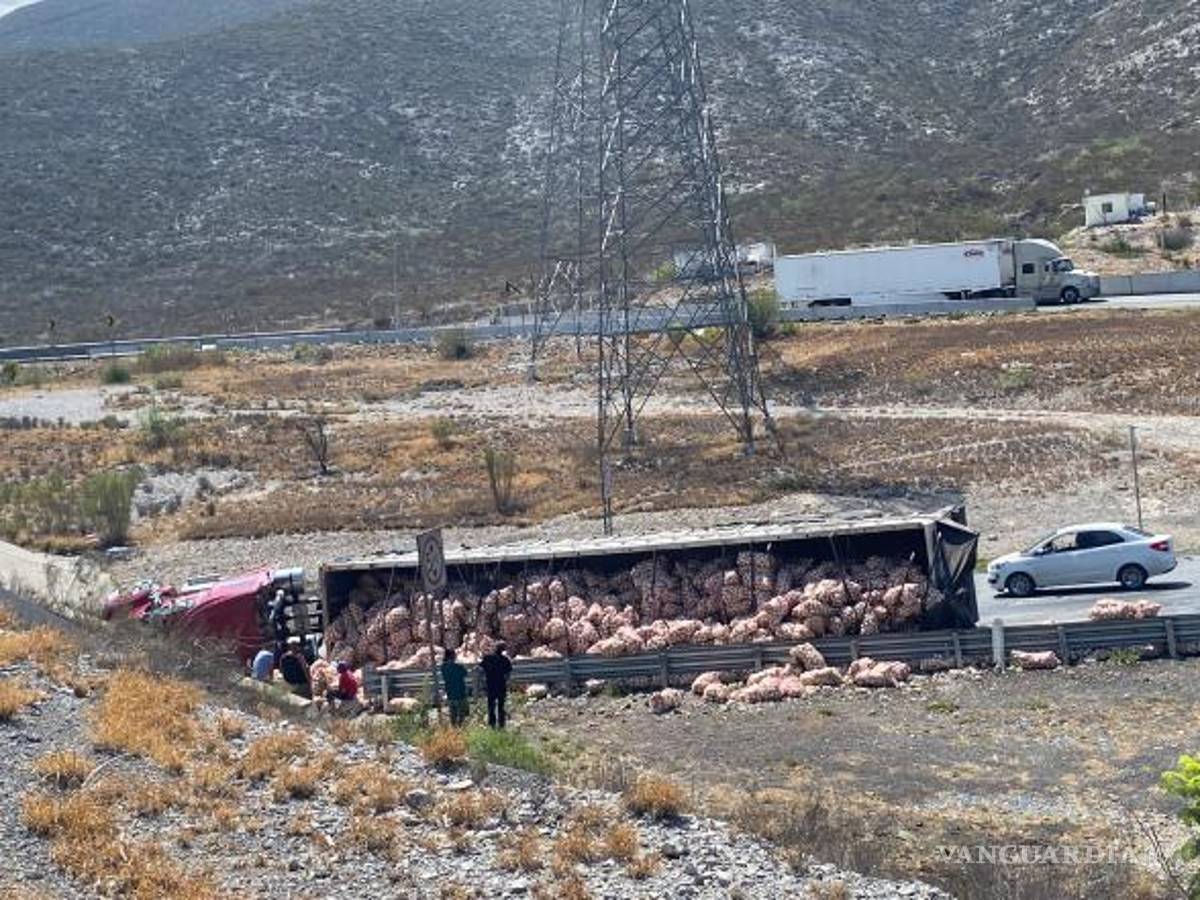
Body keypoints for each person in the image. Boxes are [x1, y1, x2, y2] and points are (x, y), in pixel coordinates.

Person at [480, 643, 513, 729]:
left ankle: (492, 723)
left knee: (491, 705)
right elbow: (508, 673)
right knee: (501, 706)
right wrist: (506, 681)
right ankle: (501, 724)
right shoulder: (505, 660)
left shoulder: (487, 658)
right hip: (501, 685)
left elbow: (481, 669)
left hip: (490, 684)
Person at [440, 648, 469, 726]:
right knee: (461, 714)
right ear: (452, 656)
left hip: (450, 693)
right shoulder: (458, 667)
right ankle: (460, 729)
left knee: (453, 715)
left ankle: (454, 732)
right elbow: (465, 673)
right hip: (460, 693)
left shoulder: (443, 667)